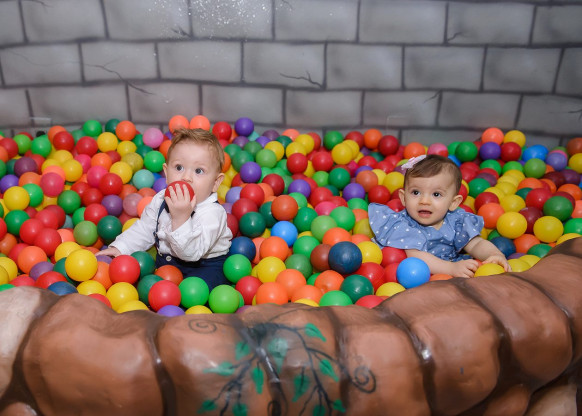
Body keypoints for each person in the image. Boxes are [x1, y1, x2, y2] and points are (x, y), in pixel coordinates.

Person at [97, 128, 233, 290]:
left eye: (199, 171)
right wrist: (120, 248)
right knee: (149, 288)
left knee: (194, 293)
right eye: (179, 167)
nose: (186, 177)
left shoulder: (213, 213)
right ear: (167, 173)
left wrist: (180, 218)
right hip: (166, 266)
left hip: (204, 268)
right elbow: (144, 229)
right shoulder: (161, 199)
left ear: (216, 183)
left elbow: (192, 253)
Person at [368, 154, 510, 278]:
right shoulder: (403, 225)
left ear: (453, 203)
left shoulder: (456, 221)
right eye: (416, 192)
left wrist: (495, 255)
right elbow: (416, 256)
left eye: (436, 194)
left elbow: (476, 244)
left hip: (445, 274)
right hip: (410, 274)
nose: (424, 201)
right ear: (403, 198)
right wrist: (451, 268)